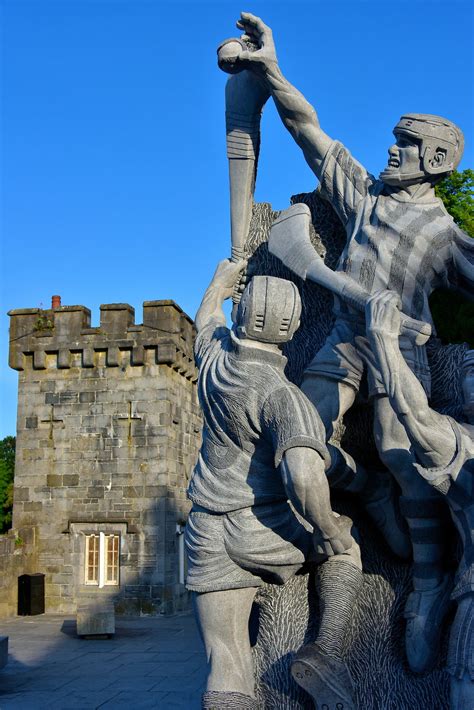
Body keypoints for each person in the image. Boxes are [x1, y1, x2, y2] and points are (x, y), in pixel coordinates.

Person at [226, 11, 474, 671]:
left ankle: (425, 583)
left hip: (404, 352)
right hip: (341, 342)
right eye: (393, 140)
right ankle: (361, 493)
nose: (391, 150)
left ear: (438, 161)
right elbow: (307, 129)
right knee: (298, 440)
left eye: (405, 144)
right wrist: (271, 68)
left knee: (408, 448)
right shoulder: (363, 196)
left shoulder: (448, 239)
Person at [186, 258, 363, 710]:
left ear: (243, 316)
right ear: (292, 328)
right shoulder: (284, 396)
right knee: (346, 547)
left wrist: (218, 284)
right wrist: (327, 527)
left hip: (205, 531)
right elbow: (303, 474)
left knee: (225, 662)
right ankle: (327, 652)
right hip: (262, 527)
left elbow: (206, 320)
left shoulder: (213, 361)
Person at [360, 290, 473, 709]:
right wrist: (386, 345)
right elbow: (419, 421)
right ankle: (430, 580)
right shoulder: (467, 444)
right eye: (471, 371)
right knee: (396, 446)